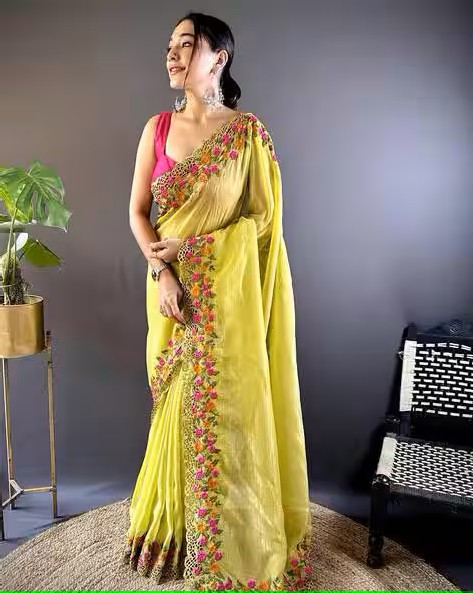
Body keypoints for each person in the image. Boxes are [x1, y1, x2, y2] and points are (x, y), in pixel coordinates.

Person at [124, 11, 313, 591]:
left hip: (228, 299)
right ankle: (173, 534)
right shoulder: (157, 128)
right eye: (170, 45)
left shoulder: (247, 134)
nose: (172, 54)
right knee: (176, 412)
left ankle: (231, 541)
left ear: (218, 57)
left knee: (229, 417)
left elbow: (264, 226)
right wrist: (163, 270)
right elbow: (138, 213)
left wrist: (197, 249)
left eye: (186, 44)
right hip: (172, 296)